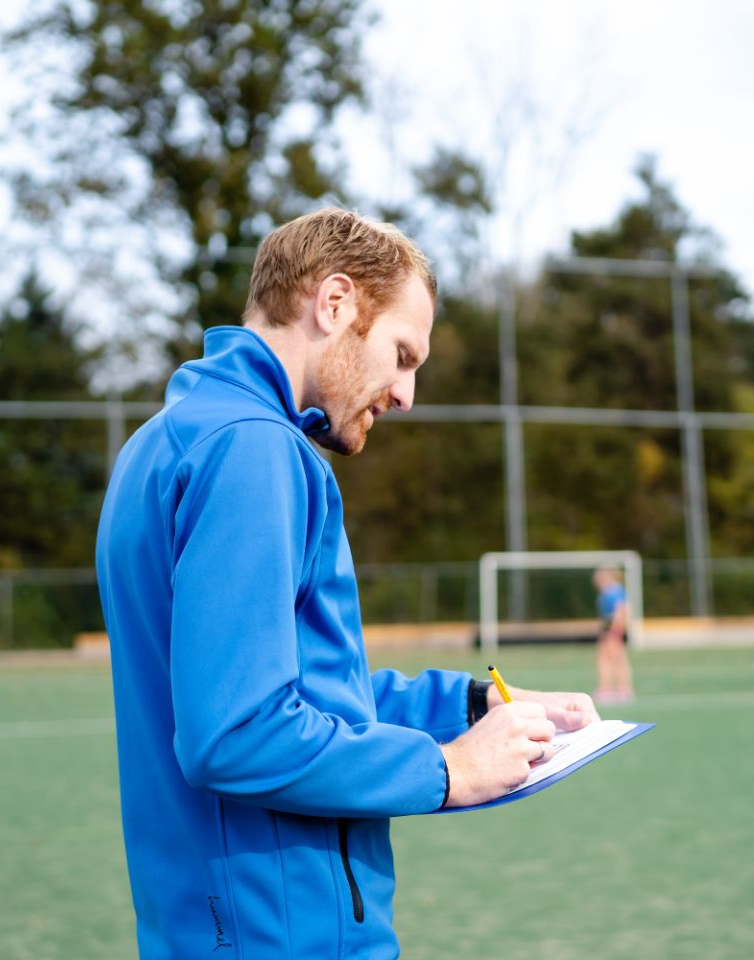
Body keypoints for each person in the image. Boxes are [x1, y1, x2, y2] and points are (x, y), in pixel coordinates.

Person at [96, 208, 599, 959]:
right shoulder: (252, 451)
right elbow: (236, 733)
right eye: (402, 354)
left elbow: (293, 686)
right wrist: (448, 768)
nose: (406, 394)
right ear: (334, 305)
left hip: (213, 927)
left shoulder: (168, 440)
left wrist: (468, 704)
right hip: (281, 933)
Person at [592, 567, 634, 704]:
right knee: (612, 658)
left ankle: (610, 689)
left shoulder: (614, 591)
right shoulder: (608, 591)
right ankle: (620, 688)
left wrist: (615, 630)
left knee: (611, 659)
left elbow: (620, 610)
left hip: (613, 629)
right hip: (609, 628)